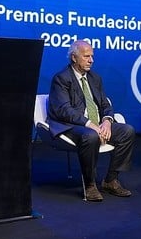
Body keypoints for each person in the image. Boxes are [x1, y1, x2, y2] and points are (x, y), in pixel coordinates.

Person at [47, 40, 134, 202]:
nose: (91, 60)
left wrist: (107, 121)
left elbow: (105, 104)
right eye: (86, 56)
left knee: (127, 131)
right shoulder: (61, 78)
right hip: (71, 125)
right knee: (91, 136)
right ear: (74, 58)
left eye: (92, 56)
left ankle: (110, 180)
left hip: (97, 124)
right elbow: (64, 110)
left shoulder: (95, 78)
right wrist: (91, 125)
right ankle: (90, 185)